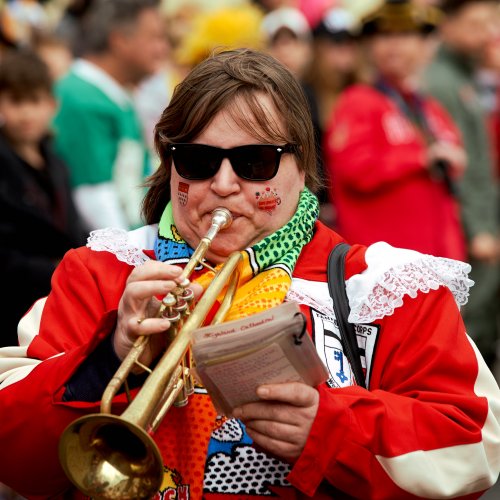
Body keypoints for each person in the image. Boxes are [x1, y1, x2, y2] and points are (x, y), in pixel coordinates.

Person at [0, 48, 499, 499]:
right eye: (196, 160)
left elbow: (476, 449)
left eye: (254, 162)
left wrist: (330, 428)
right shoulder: (103, 270)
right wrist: (111, 356)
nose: (221, 184)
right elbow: (11, 451)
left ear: (301, 166)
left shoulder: (384, 284)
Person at [324, 0, 467, 261]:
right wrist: (419, 159)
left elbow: (456, 163)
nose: (395, 45)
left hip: (436, 259)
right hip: (384, 266)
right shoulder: (358, 101)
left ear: (425, 45)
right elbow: (354, 170)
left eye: (405, 35)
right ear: (369, 47)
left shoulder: (428, 107)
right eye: (385, 36)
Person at [424, 0, 499, 369]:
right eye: (476, 23)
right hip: (469, 231)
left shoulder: (464, 74)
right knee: (470, 327)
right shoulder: (440, 81)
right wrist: (481, 228)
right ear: (447, 24)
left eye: (490, 22)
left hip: (480, 219)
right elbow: (460, 168)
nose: (486, 33)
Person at [53, 0, 167, 232]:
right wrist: (130, 254)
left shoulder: (112, 92)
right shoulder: (80, 97)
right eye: (154, 37)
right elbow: (92, 193)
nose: (162, 49)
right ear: (120, 40)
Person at [0, 49, 87, 348]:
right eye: (16, 102)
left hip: (56, 298)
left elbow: (70, 225)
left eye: (34, 102)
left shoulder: (56, 161)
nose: (26, 114)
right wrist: (62, 268)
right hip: (14, 303)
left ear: (52, 105)